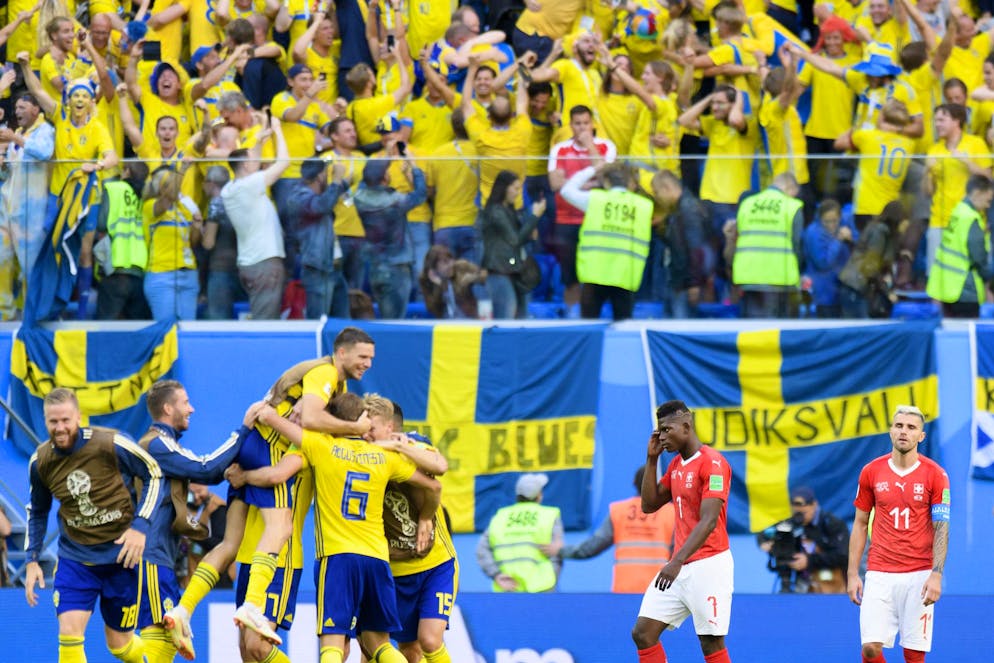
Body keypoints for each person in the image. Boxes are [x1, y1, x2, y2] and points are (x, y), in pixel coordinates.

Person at [164, 327, 376, 657]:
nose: (368, 364)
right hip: (275, 556)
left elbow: (307, 412)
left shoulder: (318, 421)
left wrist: (244, 474)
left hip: (254, 489)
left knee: (229, 548)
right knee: (282, 527)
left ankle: (182, 609)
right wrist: (354, 428)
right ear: (342, 352)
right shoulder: (322, 386)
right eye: (363, 357)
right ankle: (250, 605)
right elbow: (308, 423)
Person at [230, 392, 443, 663]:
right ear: (361, 421)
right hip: (377, 559)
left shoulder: (323, 448)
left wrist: (267, 412)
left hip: (338, 558)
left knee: (331, 646)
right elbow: (435, 481)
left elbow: (282, 430)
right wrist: (426, 516)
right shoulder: (385, 456)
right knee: (382, 646)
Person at [25, 387, 163, 663]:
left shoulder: (111, 443)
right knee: (69, 633)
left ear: (79, 417)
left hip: (121, 556)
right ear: (45, 421)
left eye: (66, 420)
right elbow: (38, 510)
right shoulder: (41, 461)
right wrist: (32, 559)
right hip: (76, 559)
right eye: (53, 422)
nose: (60, 427)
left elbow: (154, 474)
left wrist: (140, 527)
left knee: (120, 646)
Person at [133, 380, 254, 663]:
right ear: (167, 408)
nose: (192, 408)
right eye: (185, 402)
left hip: (159, 554)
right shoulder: (158, 445)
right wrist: (243, 431)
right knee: (157, 634)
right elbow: (206, 468)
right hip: (150, 554)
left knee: (164, 636)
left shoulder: (164, 444)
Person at [633, 399, 733, 663]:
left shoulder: (713, 463)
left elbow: (709, 520)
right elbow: (649, 504)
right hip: (680, 566)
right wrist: (652, 459)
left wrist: (676, 561)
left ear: (686, 426)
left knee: (711, 643)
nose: (662, 436)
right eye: (659, 431)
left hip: (709, 564)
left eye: (667, 430)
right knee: (643, 633)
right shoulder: (676, 465)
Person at [848, 405, 950, 663]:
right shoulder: (871, 471)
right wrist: (852, 574)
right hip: (879, 572)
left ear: (921, 436)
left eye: (911, 427)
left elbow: (941, 527)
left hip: (919, 573)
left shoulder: (935, 475)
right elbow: (860, 523)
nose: (904, 432)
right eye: (899, 426)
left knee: (914, 654)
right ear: (891, 431)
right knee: (870, 648)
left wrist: (936, 574)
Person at [363, 395, 457, 663]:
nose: (366, 434)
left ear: (390, 428)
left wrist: (427, 516)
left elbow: (439, 467)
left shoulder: (414, 446)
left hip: (434, 563)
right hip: (392, 570)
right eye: (362, 427)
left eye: (372, 429)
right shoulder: (357, 454)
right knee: (408, 651)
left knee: (429, 640)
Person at [560, 163, 654, 321]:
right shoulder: (644, 206)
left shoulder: (595, 199)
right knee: (624, 330)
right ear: (630, 182)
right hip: (625, 276)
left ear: (606, 182)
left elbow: (566, 190)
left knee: (589, 329)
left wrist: (593, 169)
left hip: (594, 275)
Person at [563, 466, 675, 594]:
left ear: (633, 483)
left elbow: (591, 547)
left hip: (624, 590)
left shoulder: (618, 511)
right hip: (660, 591)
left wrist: (561, 551)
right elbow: (679, 554)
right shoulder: (672, 513)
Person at [221, 116, 290, 320]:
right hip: (264, 262)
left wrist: (259, 141)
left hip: (250, 262)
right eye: (253, 159)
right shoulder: (250, 185)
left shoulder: (230, 189)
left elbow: (251, 164)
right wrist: (277, 130)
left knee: (263, 313)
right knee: (265, 320)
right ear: (245, 164)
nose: (258, 162)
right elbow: (284, 162)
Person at [0, 92, 54, 320]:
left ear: (36, 109)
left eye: (22, 107)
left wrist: (15, 139)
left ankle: (30, 316)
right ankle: (4, 314)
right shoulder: (18, 134)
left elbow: (44, 152)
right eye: (16, 108)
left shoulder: (46, 131)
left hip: (31, 214)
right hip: (7, 210)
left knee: (29, 268)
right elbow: (12, 172)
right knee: (2, 261)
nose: (17, 112)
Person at [353, 156, 428, 319]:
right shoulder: (395, 201)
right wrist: (414, 167)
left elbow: (363, 184)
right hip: (396, 268)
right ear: (385, 177)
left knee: (387, 316)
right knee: (395, 321)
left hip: (375, 267)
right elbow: (421, 194)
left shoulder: (359, 198)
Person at [730, 173, 805, 319]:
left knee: (751, 332)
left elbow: (737, 238)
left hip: (748, 278)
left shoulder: (747, 204)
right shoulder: (791, 206)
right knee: (776, 334)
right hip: (780, 279)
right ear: (791, 188)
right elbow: (797, 245)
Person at [286, 157, 351, 319]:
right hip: (318, 269)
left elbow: (330, 197)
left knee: (342, 323)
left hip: (333, 267)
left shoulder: (320, 194)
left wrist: (344, 181)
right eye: (326, 174)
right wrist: (336, 180)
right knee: (319, 322)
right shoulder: (297, 197)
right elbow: (321, 206)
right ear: (320, 176)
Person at [476, 472, 564, 593]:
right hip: (542, 588)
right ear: (539, 495)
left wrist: (496, 574)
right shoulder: (549, 515)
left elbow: (481, 550)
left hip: (508, 588)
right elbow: (557, 551)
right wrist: (552, 579)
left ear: (517, 495)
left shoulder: (501, 516)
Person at [478, 170, 545, 319]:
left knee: (521, 317)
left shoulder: (509, 210)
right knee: (506, 318)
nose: (517, 193)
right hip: (498, 271)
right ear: (504, 188)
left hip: (513, 270)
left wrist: (530, 236)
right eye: (515, 188)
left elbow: (515, 239)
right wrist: (534, 217)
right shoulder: (495, 211)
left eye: (519, 188)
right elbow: (514, 240)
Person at [757, 486, 850, 594]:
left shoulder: (832, 524)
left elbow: (843, 555)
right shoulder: (791, 524)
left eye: (803, 513)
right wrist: (765, 542)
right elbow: (764, 533)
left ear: (814, 505)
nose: (800, 518)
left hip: (833, 585)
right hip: (803, 584)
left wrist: (809, 560)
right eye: (796, 513)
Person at [926, 174, 994, 318]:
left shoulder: (958, 211)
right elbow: (978, 258)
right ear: (977, 194)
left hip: (947, 286)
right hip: (965, 289)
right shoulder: (971, 220)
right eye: (988, 200)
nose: (989, 205)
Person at [93, 160, 153, 321]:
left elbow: (100, 223)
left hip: (115, 267)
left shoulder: (114, 189)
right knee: (136, 330)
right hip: (140, 270)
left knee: (105, 329)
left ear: (126, 171)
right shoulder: (145, 197)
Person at [802, 200, 853, 319]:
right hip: (822, 294)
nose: (831, 225)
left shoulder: (844, 227)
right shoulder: (814, 233)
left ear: (840, 217)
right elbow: (823, 262)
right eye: (827, 221)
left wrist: (850, 240)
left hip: (838, 292)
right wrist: (838, 240)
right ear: (820, 218)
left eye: (834, 221)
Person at [419, 244, 486, 319]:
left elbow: (484, 276)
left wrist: (472, 278)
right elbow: (433, 309)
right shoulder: (427, 281)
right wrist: (441, 286)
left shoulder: (461, 266)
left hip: (469, 319)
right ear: (434, 268)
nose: (451, 264)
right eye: (445, 262)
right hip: (446, 323)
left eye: (451, 259)